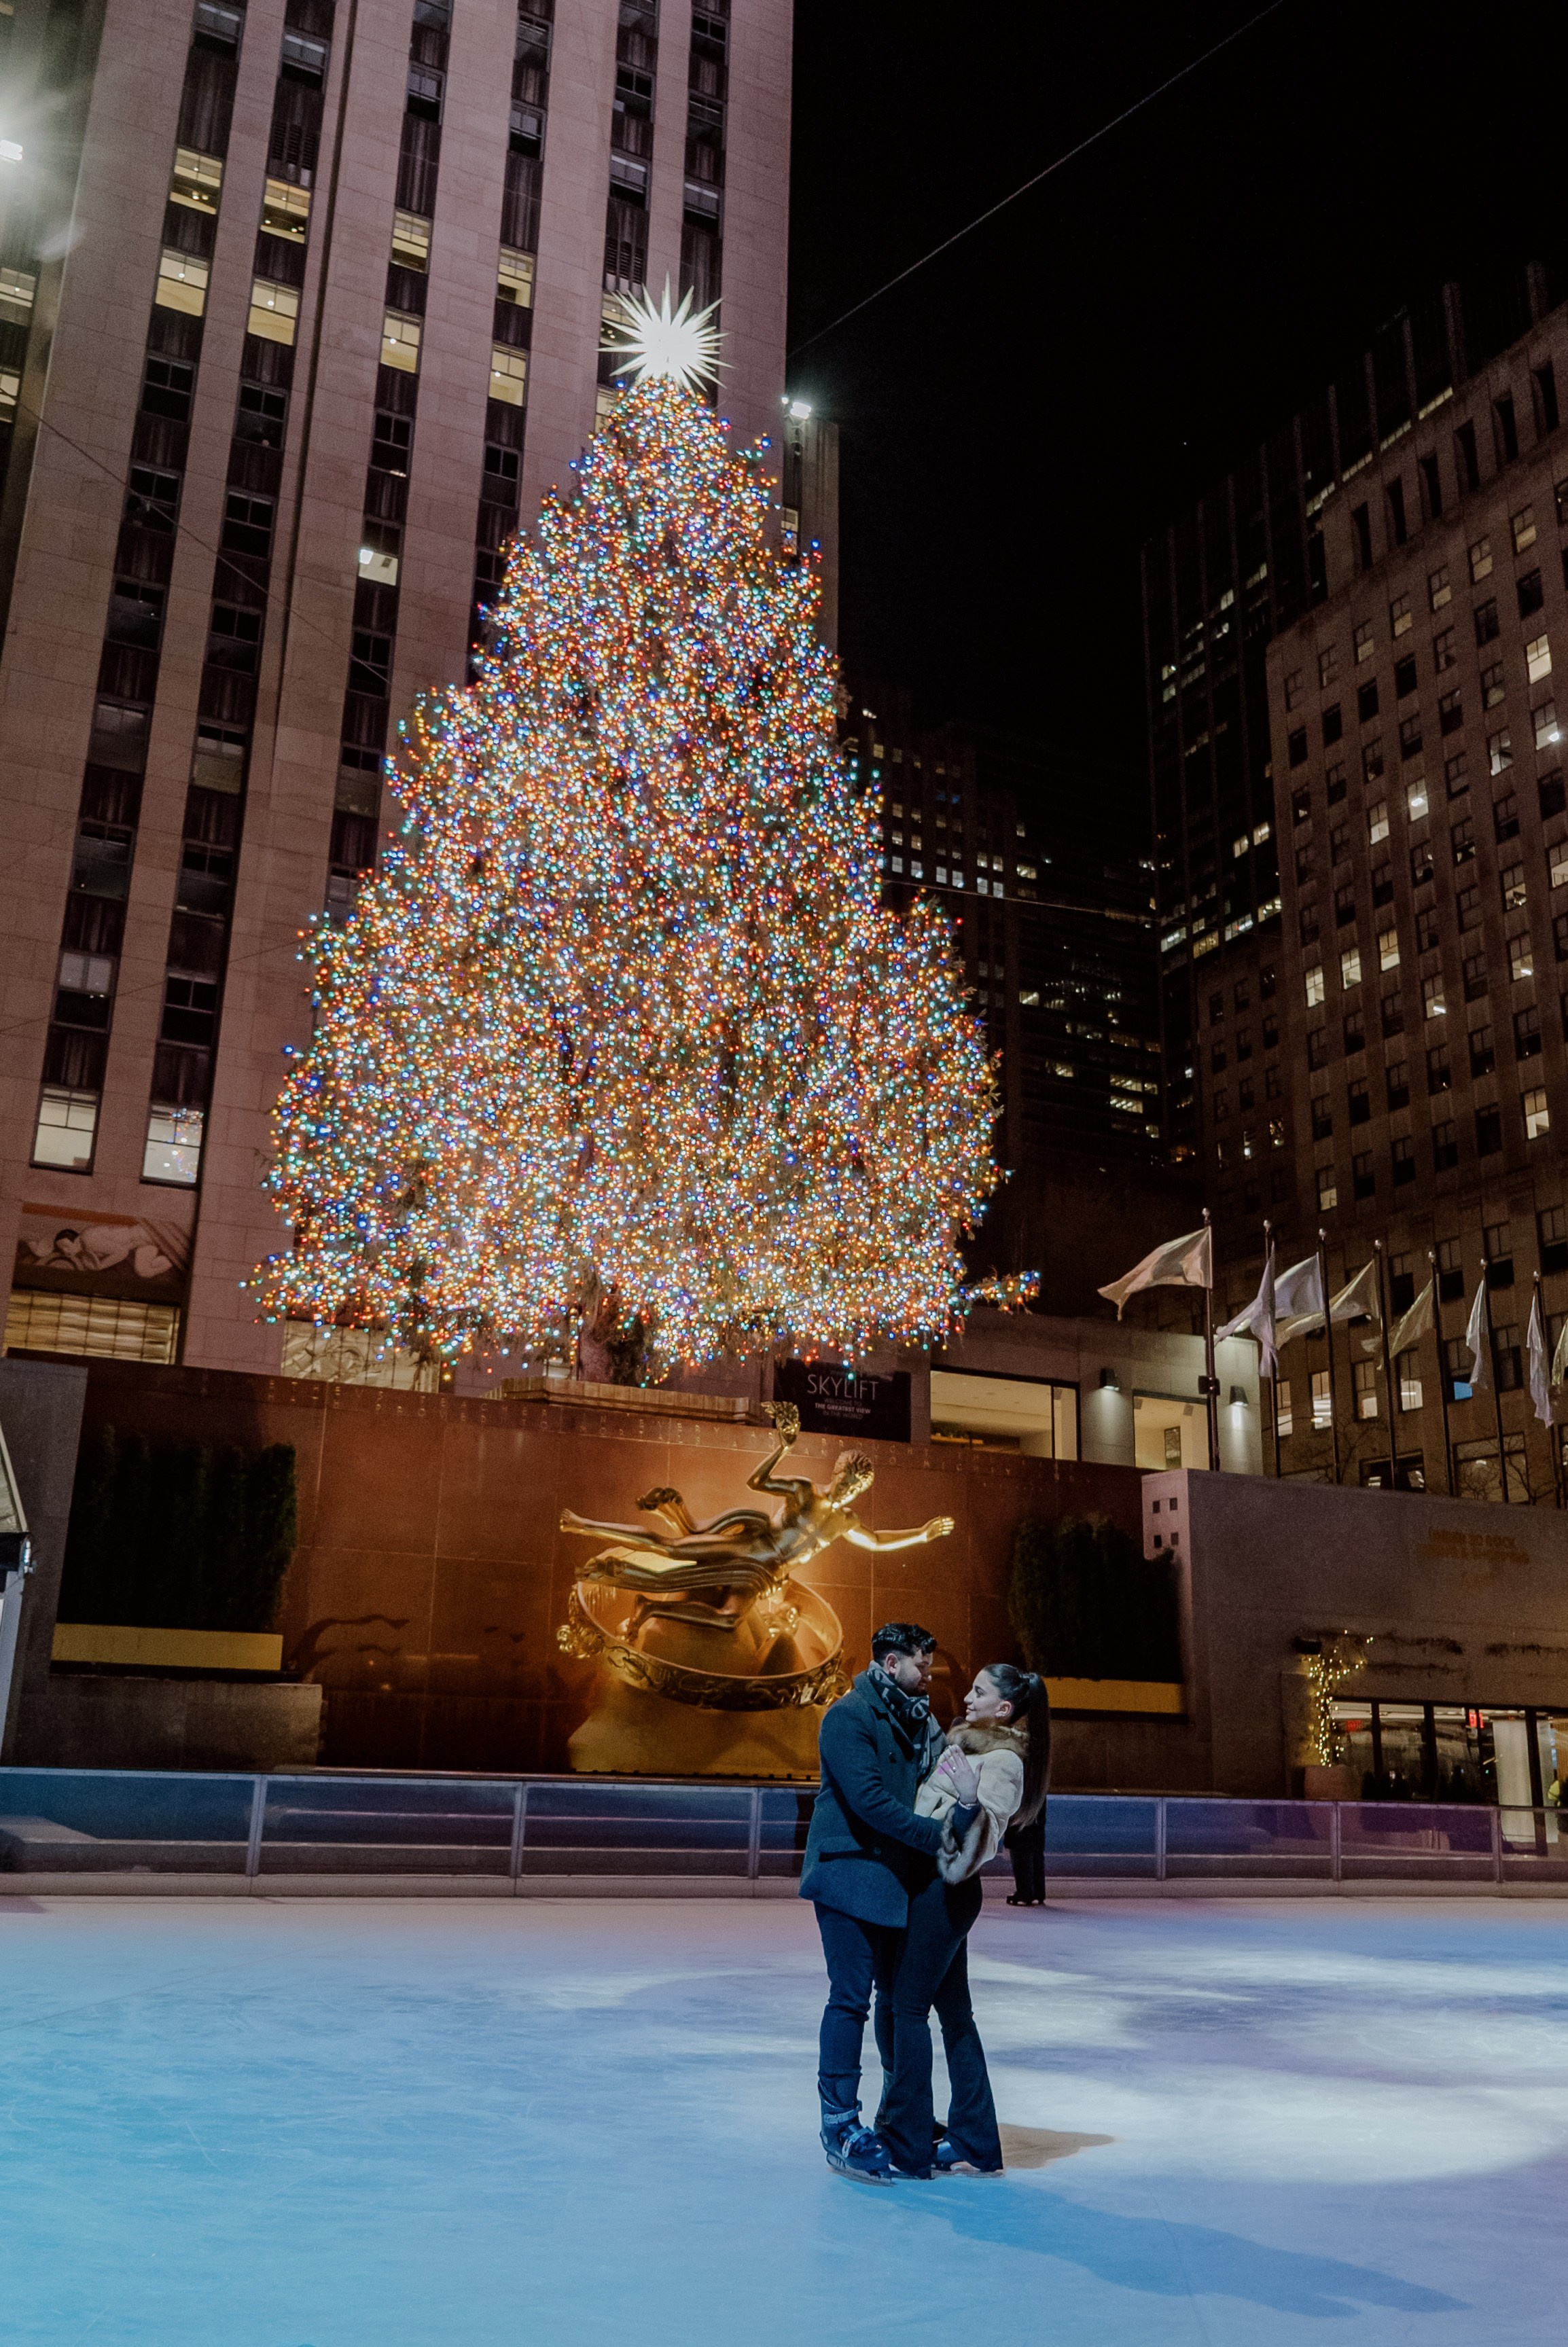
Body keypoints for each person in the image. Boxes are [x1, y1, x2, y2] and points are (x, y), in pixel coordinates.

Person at [875, 1662, 1051, 2179]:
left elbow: (981, 1845)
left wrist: (970, 1800)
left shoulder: (1004, 1761)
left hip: (945, 1892)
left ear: (1004, 1708)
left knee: (907, 2009)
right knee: (955, 2016)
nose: (968, 1698)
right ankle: (974, 2138)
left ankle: (908, 2141)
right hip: (932, 1890)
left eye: (979, 1692)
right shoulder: (966, 1747)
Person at [798, 1622, 952, 2185]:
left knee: (895, 1999)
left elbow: (946, 1778)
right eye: (921, 1666)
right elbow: (869, 1801)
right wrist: (938, 1836)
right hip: (849, 1874)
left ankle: (899, 2111)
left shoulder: (921, 1723)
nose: (929, 1675)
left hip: (897, 1879)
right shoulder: (848, 1716)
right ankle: (839, 2121)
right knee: (850, 1997)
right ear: (892, 1664)